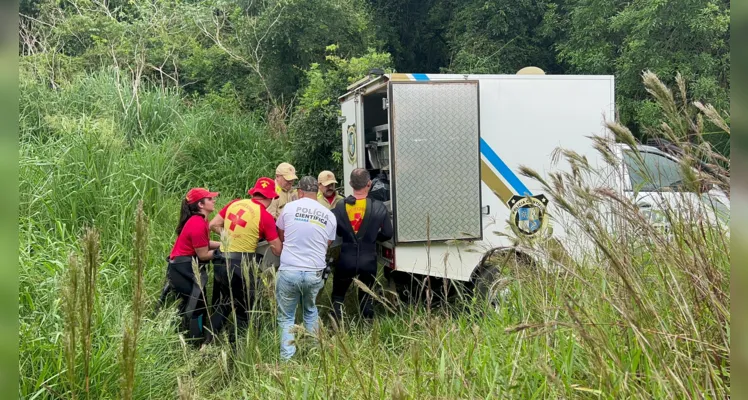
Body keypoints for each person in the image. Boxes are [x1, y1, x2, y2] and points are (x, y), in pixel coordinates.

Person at [206, 177, 283, 343]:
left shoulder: (234, 204)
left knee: (225, 304)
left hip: (220, 261)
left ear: (254, 193)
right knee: (245, 311)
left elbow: (213, 224)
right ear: (269, 198)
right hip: (241, 267)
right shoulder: (264, 216)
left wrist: (230, 238)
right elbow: (277, 249)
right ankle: (237, 351)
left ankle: (206, 343)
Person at [275, 176, 337, 360]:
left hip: (290, 270)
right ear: (316, 193)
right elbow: (329, 242)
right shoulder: (328, 214)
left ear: (299, 192)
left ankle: (287, 360)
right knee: (310, 311)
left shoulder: (289, 208)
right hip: (314, 272)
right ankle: (314, 354)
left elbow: (282, 234)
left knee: (287, 317)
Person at [330, 169, 393, 321]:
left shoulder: (340, 206)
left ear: (351, 184)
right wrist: (372, 236)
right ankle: (367, 327)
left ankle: (336, 325)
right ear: (369, 184)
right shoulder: (379, 206)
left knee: (338, 296)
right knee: (367, 297)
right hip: (368, 259)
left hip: (346, 258)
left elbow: (337, 232)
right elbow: (388, 234)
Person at [166, 187, 221, 343]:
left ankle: (186, 337)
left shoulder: (199, 220)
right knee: (197, 306)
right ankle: (194, 342)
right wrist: (222, 253)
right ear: (200, 204)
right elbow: (203, 254)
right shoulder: (197, 223)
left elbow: (204, 243)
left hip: (182, 266)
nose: (213, 200)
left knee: (194, 305)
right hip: (183, 269)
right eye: (210, 199)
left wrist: (224, 244)